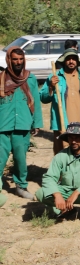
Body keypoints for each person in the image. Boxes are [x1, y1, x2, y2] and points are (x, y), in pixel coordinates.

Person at [35, 123, 80, 220]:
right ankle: (64, 211)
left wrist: (77, 192)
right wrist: (57, 194)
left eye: (77, 138)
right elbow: (49, 177)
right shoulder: (61, 156)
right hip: (66, 191)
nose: (73, 141)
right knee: (41, 193)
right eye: (71, 138)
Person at [0, 47, 42, 199]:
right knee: (0, 158)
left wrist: (36, 123)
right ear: (9, 60)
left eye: (20, 59)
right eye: (15, 59)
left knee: (20, 158)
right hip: (3, 125)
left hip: (23, 123)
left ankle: (21, 186)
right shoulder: (1, 78)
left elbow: (35, 101)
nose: (18, 62)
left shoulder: (30, 78)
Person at [41, 48, 80, 154]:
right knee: (62, 152)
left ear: (77, 61)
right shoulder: (54, 77)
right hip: (62, 123)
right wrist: (50, 86)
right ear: (64, 61)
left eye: (74, 59)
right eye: (68, 59)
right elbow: (43, 98)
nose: (71, 61)